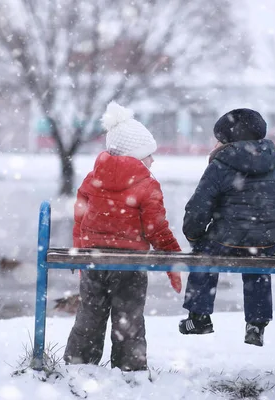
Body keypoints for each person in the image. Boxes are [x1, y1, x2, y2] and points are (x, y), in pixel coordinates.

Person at [63, 101, 182, 371]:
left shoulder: (92, 178)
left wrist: (81, 254)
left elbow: (80, 221)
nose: (153, 160)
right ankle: (130, 370)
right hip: (130, 263)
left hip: (95, 259)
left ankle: (79, 366)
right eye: (149, 154)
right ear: (136, 156)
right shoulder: (146, 183)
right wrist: (172, 259)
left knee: (89, 315)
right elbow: (156, 228)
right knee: (129, 318)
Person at [179, 108, 275, 346]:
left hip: (223, 241)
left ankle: (199, 316)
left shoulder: (219, 166)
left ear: (227, 140)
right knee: (258, 263)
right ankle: (256, 324)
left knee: (204, 256)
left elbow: (198, 208)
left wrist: (195, 238)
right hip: (265, 241)